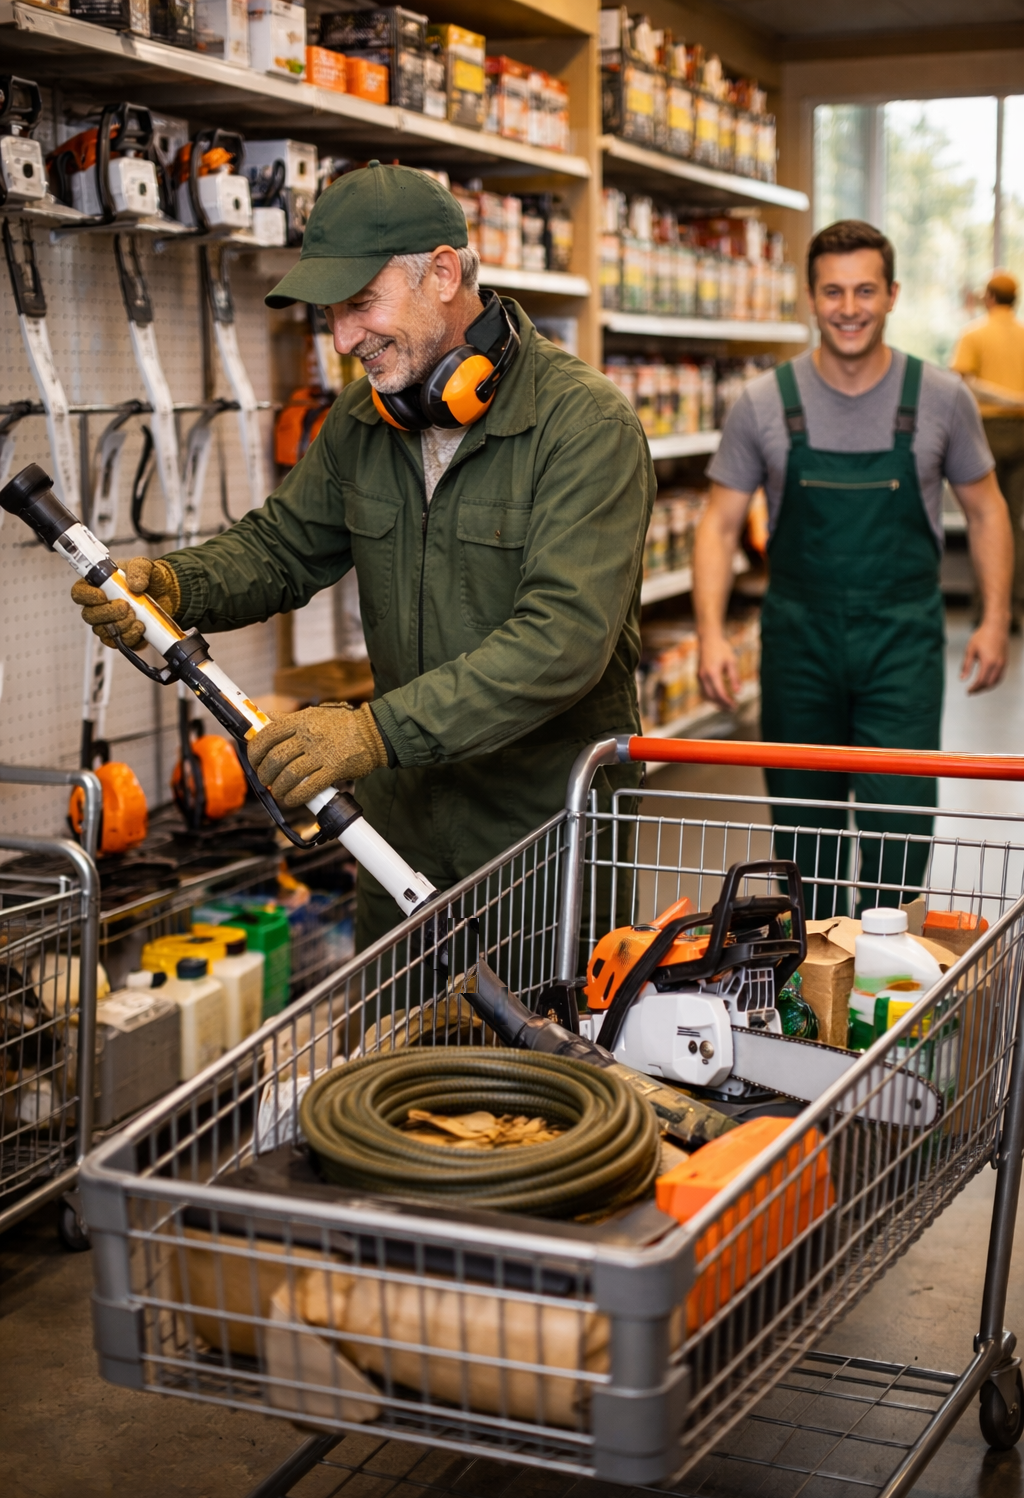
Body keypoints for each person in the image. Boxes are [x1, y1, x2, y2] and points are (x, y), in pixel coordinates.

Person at [71, 161, 653, 949]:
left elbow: (561, 642)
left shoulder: (583, 426)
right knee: (396, 1060)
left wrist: (371, 734)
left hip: (545, 835)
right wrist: (175, 584)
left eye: (360, 305)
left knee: (545, 1061)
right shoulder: (364, 419)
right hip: (397, 834)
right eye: (333, 315)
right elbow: (281, 549)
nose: (344, 340)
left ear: (442, 273)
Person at [693, 219, 1012, 915]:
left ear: (892, 294)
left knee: (902, 820)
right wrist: (712, 634)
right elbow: (717, 526)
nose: (848, 307)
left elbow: (987, 511)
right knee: (804, 830)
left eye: (865, 289)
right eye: (833, 291)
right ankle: (815, 988)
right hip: (798, 639)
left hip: (902, 638)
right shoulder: (764, 402)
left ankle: (887, 986)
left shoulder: (940, 398)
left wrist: (994, 619)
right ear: (810, 296)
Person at [951, 270, 1024, 630]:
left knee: (983, 518)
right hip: (1023, 431)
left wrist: (1003, 399)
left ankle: (986, 610)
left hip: (988, 431)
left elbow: (963, 384)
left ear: (989, 298)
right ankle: (1014, 608)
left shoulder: (974, 334)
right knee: (1014, 522)